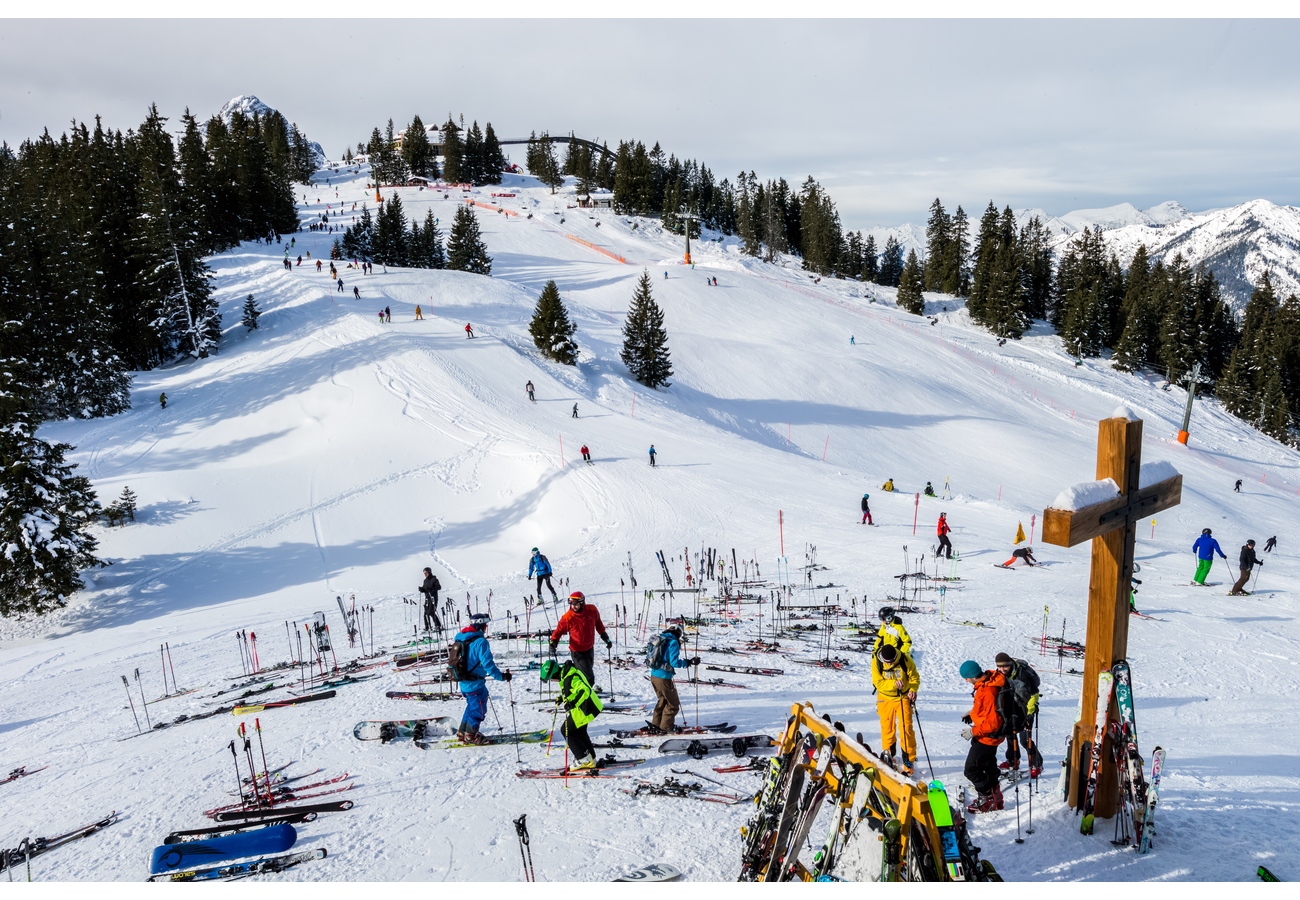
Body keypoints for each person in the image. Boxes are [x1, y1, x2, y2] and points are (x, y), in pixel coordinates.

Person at [452, 613, 511, 745]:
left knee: (472, 706)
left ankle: (463, 732)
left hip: (464, 681)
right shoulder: (480, 642)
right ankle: (471, 736)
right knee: (478, 709)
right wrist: (501, 676)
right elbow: (488, 664)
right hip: (474, 683)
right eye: (485, 626)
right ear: (481, 626)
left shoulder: (460, 638)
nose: (486, 628)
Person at [959, 660, 1007, 812]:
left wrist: (973, 731)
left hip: (987, 737)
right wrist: (972, 714)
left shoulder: (988, 691)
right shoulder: (986, 683)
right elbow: (985, 711)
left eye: (966, 677)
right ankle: (996, 798)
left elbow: (993, 723)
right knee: (989, 767)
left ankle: (987, 799)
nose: (965, 680)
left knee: (971, 770)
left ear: (973, 676)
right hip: (990, 736)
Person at [539, 659, 603, 769]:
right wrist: (563, 699)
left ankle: (583, 759)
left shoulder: (570, 677)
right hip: (589, 707)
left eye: (551, 678)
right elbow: (572, 691)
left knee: (566, 730)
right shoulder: (566, 675)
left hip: (585, 708)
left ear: (554, 673)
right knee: (580, 731)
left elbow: (584, 691)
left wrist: (572, 703)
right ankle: (591, 758)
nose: (552, 681)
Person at [872, 643, 920, 776]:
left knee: (906, 729)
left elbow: (914, 677)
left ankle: (908, 760)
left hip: (903, 697)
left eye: (892, 661)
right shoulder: (876, 661)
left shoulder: (905, 660)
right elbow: (878, 683)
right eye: (887, 662)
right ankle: (889, 756)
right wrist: (893, 684)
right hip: (885, 698)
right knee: (887, 728)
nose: (890, 664)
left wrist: (912, 690)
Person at [549, 591, 612, 688]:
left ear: (582, 603)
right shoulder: (568, 618)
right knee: (589, 678)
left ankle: (575, 688)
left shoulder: (592, 610)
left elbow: (598, 624)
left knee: (584, 673)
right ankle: (585, 697)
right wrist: (554, 641)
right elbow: (558, 631)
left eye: (575, 603)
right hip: (577, 651)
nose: (573, 606)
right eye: (571, 603)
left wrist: (605, 637)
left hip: (589, 648)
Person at [994, 653, 1042, 776]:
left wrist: (1030, 714)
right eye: (999, 667)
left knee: (1025, 739)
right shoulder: (999, 674)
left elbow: (1034, 694)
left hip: (1025, 708)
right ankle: (1012, 760)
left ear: (1010, 664)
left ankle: (1036, 764)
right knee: (1010, 735)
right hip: (1010, 708)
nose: (1002, 669)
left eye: (1005, 667)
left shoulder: (1022, 674)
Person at [647, 624, 699, 734]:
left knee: (662, 700)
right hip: (663, 678)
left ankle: (656, 724)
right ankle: (666, 727)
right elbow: (674, 662)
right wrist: (688, 662)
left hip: (654, 675)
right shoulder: (673, 642)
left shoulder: (661, 638)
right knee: (673, 704)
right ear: (679, 634)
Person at [419, 567, 442, 632]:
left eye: (426, 573)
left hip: (433, 598)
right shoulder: (425, 581)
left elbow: (439, 587)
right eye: (424, 573)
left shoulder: (434, 579)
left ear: (429, 572)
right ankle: (427, 627)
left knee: (431, 612)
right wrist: (422, 589)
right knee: (426, 613)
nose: (425, 574)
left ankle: (438, 626)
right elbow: (425, 588)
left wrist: (431, 589)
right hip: (427, 599)